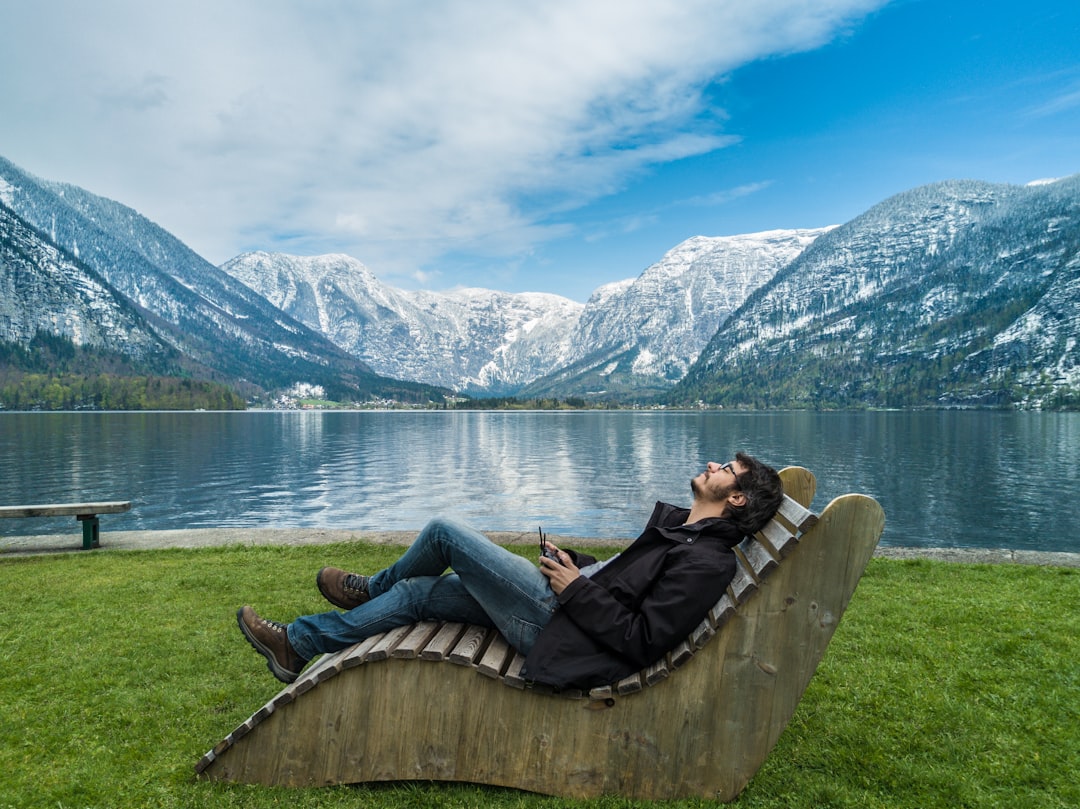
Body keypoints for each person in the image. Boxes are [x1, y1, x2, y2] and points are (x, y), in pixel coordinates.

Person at [237, 452, 784, 690]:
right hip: (566, 607)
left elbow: (642, 639)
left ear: (735, 499)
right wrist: (578, 567)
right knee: (424, 592)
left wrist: (571, 589)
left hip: (560, 628)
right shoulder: (684, 532)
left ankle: (369, 590)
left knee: (445, 533)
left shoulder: (707, 561)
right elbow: (625, 583)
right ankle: (298, 643)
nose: (712, 465)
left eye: (725, 469)